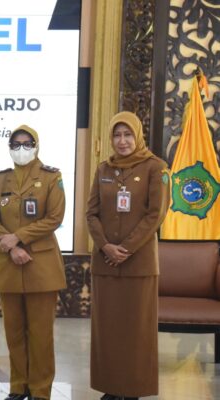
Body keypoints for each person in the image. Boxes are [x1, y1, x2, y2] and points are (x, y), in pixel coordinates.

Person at [86, 111, 170, 400]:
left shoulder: (156, 168)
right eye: (117, 135)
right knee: (108, 330)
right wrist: (105, 246)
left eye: (128, 134)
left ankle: (132, 389)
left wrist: (126, 248)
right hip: (105, 263)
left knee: (136, 332)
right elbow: (91, 213)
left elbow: (155, 215)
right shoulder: (103, 169)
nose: (122, 141)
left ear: (138, 136)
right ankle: (111, 387)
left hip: (139, 264)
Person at [0, 125, 66, 400]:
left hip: (40, 264)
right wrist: (11, 246)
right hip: (9, 264)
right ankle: (18, 387)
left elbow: (54, 218)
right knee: (14, 333)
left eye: (27, 144)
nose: (21, 149)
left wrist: (17, 238)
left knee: (41, 335)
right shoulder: (1, 179)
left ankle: (41, 390)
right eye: (16, 144)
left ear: (36, 145)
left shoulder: (52, 177)